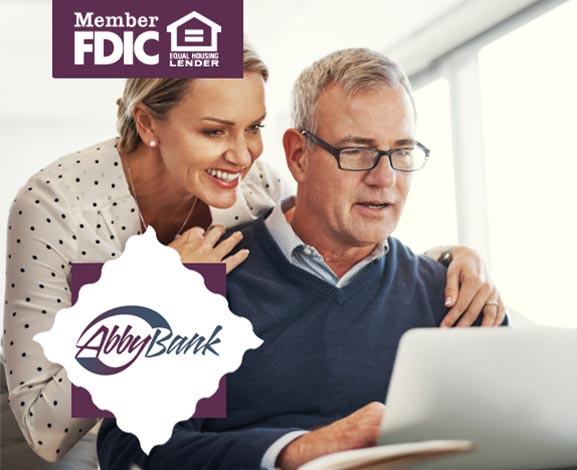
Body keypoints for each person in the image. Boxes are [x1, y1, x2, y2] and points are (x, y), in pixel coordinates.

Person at [1, 43, 506, 469]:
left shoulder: (254, 185)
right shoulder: (58, 207)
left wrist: (451, 260)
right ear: (148, 124)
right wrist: (158, 298)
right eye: (215, 130)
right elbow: (77, 437)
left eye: (402, 152)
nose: (243, 155)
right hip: (72, 428)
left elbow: (335, 224)